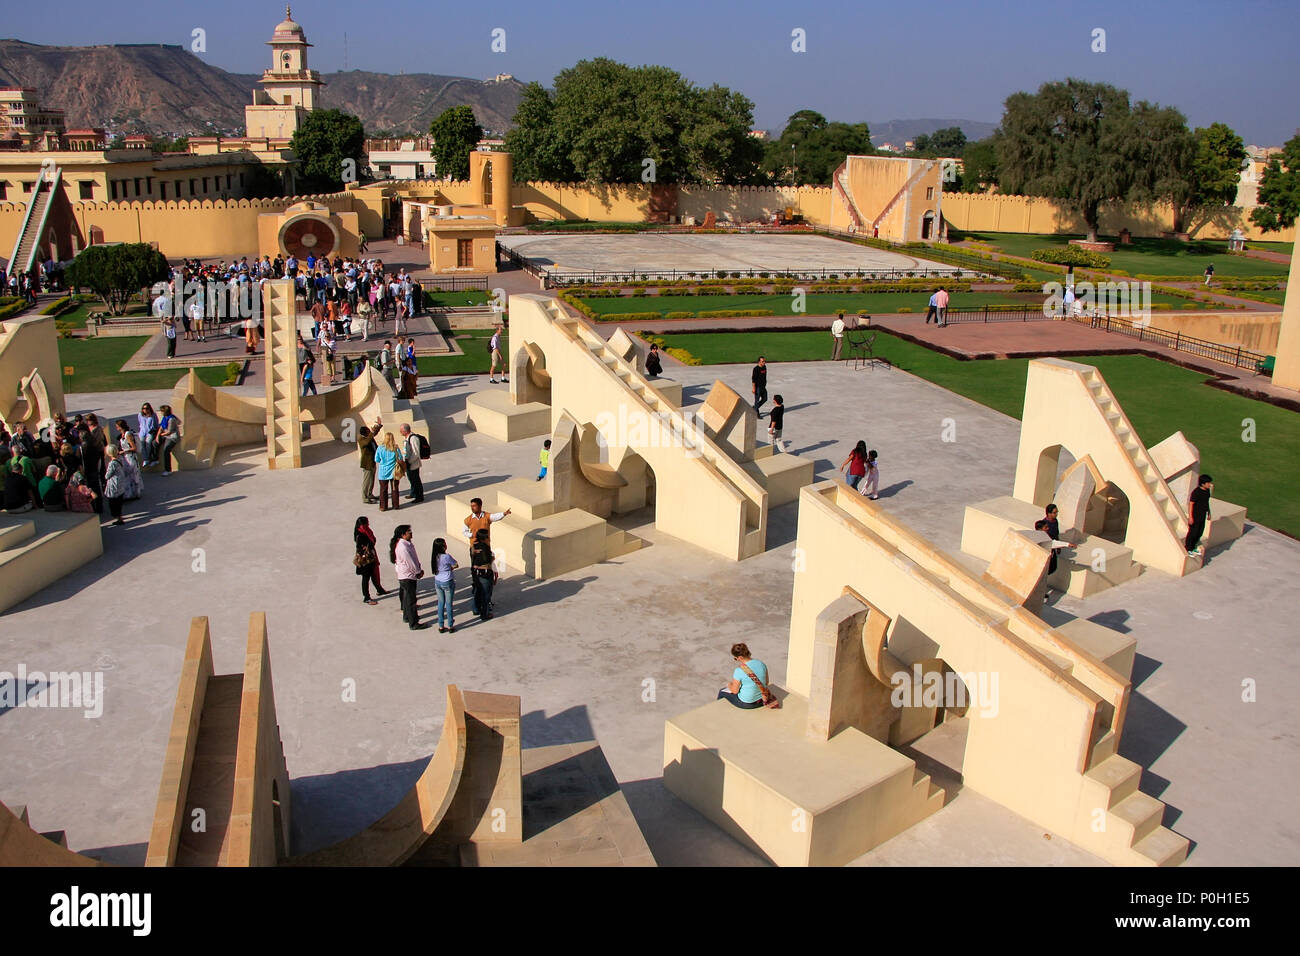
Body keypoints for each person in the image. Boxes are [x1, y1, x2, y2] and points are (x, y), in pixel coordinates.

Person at [391, 524, 428, 630]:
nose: (411, 533)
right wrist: (418, 572)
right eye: (408, 531)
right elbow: (410, 562)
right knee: (411, 600)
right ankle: (413, 623)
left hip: (406, 575)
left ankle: (407, 617)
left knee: (407, 598)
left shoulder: (406, 544)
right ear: (403, 535)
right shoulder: (403, 547)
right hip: (408, 576)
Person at [718, 642, 773, 710]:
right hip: (763, 699)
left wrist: (729, 685)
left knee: (722, 692)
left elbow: (735, 691)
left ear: (740, 657)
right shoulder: (761, 664)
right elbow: (766, 682)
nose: (736, 660)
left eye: (735, 658)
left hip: (748, 703)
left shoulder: (739, 670)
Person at [354, 516, 386, 605]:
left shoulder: (366, 531)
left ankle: (379, 589)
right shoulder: (360, 534)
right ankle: (366, 597)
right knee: (366, 578)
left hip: (370, 556)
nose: (368, 524)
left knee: (373, 574)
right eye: (366, 523)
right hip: (365, 559)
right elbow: (370, 543)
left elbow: (373, 540)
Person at [431, 537, 459, 633]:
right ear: (443, 547)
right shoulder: (446, 556)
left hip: (438, 581)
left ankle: (441, 625)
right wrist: (450, 568)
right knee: (449, 604)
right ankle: (450, 625)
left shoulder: (434, 557)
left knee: (440, 603)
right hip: (447, 581)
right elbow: (455, 564)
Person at [470, 528, 497, 621]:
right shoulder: (485, 547)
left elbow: (473, 557)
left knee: (477, 592)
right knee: (486, 594)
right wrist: (492, 558)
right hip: (485, 574)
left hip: (476, 573)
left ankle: (475, 609)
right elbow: (487, 561)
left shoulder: (473, 546)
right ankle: (484, 614)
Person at [114, 420, 144, 500]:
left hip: (130, 457)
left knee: (133, 475)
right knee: (128, 476)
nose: (116, 427)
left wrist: (124, 451)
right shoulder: (122, 435)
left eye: (117, 426)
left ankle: (135, 494)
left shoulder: (128, 435)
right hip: (125, 458)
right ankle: (129, 494)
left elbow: (134, 448)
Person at [1185, 474, 1214, 557]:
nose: (1209, 484)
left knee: (1199, 532)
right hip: (1195, 515)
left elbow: (1206, 502)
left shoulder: (1207, 491)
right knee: (1193, 532)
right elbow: (1191, 504)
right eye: (1208, 483)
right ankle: (1188, 548)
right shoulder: (1196, 492)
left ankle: (1193, 547)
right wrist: (1190, 517)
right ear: (1203, 483)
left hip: (1203, 515)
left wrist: (1209, 512)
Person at [374, 431, 403, 511]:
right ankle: (396, 505)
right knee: (394, 489)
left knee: (383, 490)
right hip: (394, 472)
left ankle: (383, 506)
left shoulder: (380, 448)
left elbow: (377, 459)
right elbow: (400, 458)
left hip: (383, 472)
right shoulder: (395, 448)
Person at [103, 444, 127, 525]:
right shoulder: (120, 459)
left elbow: (107, 476)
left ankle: (118, 518)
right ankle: (120, 516)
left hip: (114, 486)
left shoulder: (112, 463)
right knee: (119, 502)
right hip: (120, 484)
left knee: (113, 503)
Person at [400, 423, 424, 503]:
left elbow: (416, 453)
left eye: (401, 430)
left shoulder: (413, 438)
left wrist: (409, 461)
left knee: (416, 480)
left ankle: (419, 496)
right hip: (408, 463)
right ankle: (413, 493)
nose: (400, 432)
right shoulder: (407, 437)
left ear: (405, 431)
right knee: (411, 479)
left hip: (413, 464)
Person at [357, 422, 380, 504]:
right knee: (367, 481)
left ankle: (370, 494)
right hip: (367, 463)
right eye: (368, 431)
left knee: (371, 479)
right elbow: (367, 442)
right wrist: (372, 433)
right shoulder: (361, 439)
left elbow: (374, 434)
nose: (370, 432)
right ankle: (365, 497)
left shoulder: (369, 436)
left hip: (372, 461)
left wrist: (378, 426)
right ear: (366, 432)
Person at [156, 405, 182, 475]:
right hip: (166, 435)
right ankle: (155, 459)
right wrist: (157, 436)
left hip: (172, 437)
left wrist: (161, 435)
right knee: (154, 443)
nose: (161, 412)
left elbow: (169, 432)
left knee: (166, 450)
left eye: (162, 411)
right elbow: (161, 427)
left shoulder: (171, 419)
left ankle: (168, 470)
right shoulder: (165, 418)